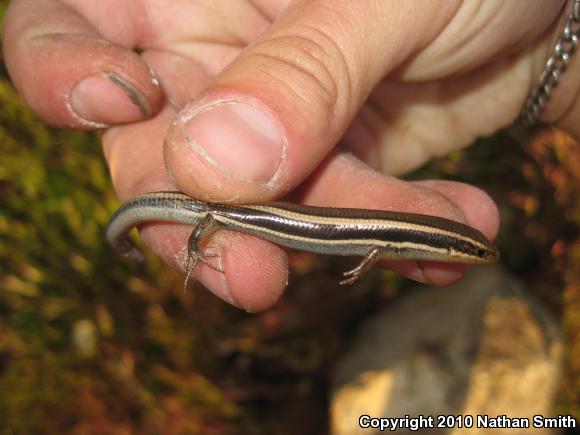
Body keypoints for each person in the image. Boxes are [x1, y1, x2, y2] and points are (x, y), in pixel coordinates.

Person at [2, 0, 578, 312]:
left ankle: (137, 236)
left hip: (257, 210)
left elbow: (376, 247)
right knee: (210, 225)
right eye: (472, 250)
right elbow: (376, 247)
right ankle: (149, 237)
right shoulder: (396, 237)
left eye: (477, 250)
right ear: (450, 245)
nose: (478, 256)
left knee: (225, 242)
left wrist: (549, 36)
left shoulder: (398, 236)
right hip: (232, 211)